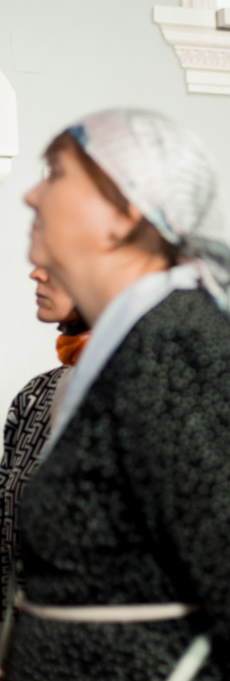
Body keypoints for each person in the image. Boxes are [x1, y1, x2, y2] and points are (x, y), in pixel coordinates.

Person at [0, 109, 230, 681]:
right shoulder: (132, 342)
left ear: (125, 214)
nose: (31, 194)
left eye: (54, 174)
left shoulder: (175, 345)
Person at [0, 267, 89, 624]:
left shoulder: (153, 391)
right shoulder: (35, 395)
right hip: (25, 639)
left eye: (55, 261)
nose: (36, 273)